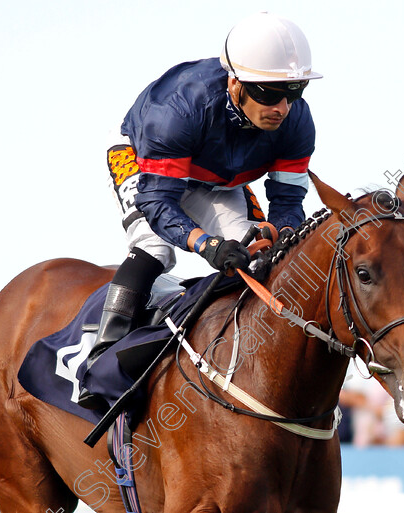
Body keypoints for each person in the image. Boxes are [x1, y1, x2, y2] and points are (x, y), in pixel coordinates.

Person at [79, 12, 322, 408]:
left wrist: (276, 233)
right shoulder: (179, 109)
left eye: (293, 91)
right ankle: (101, 359)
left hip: (215, 179)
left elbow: (288, 203)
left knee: (258, 253)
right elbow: (159, 202)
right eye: (268, 93)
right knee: (156, 249)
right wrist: (206, 245)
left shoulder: (297, 121)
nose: (281, 107)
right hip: (144, 163)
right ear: (235, 83)